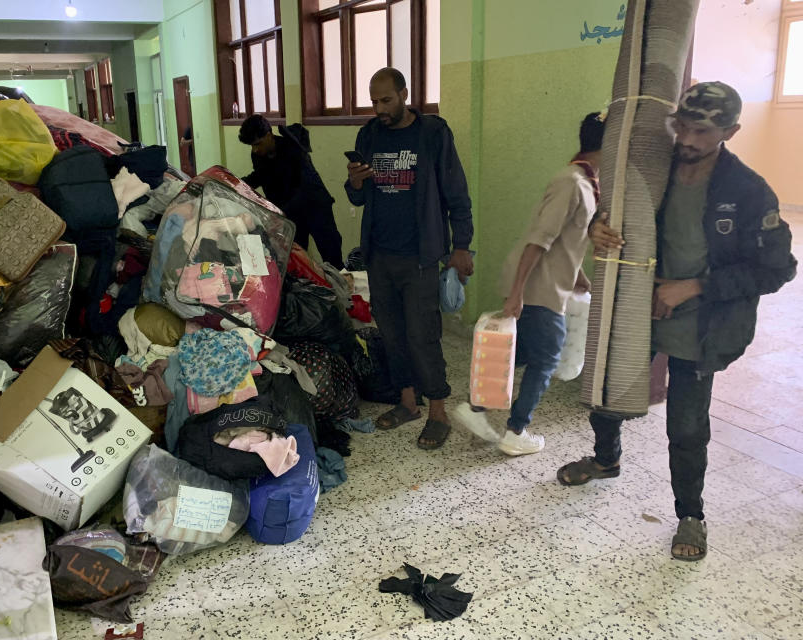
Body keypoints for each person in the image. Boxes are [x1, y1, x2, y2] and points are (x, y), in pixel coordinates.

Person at [557, 82, 796, 561]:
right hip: (638, 307)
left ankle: (691, 514)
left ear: (730, 131)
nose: (686, 138)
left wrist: (693, 287)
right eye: (681, 126)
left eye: (701, 131)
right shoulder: (655, 171)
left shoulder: (747, 191)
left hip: (702, 322)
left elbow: (778, 268)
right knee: (605, 392)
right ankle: (607, 459)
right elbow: (613, 216)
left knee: (686, 426)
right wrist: (597, 228)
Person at [345, 67, 474, 449]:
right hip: (379, 254)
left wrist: (461, 245)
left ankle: (437, 411)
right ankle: (407, 403)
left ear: (404, 94)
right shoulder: (369, 134)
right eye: (374, 101)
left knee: (423, 335)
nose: (380, 108)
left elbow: (456, 191)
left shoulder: (433, 134)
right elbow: (358, 197)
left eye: (386, 100)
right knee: (392, 334)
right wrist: (354, 182)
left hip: (420, 255)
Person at [486, 112, 605, 456]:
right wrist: (517, 294)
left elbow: (570, 241)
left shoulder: (586, 182)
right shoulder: (571, 182)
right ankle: (516, 431)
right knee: (548, 356)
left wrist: (581, 278)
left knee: (520, 352)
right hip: (538, 286)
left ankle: (475, 407)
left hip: (550, 282)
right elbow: (540, 241)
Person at [239, 114, 345, 268]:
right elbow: (261, 175)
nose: (255, 150)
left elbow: (305, 189)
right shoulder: (258, 155)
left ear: (269, 135)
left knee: (332, 258)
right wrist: (238, 185)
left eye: (258, 144)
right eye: (252, 146)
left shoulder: (294, 149)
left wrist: (280, 214)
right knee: (297, 260)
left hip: (315, 206)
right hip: (292, 214)